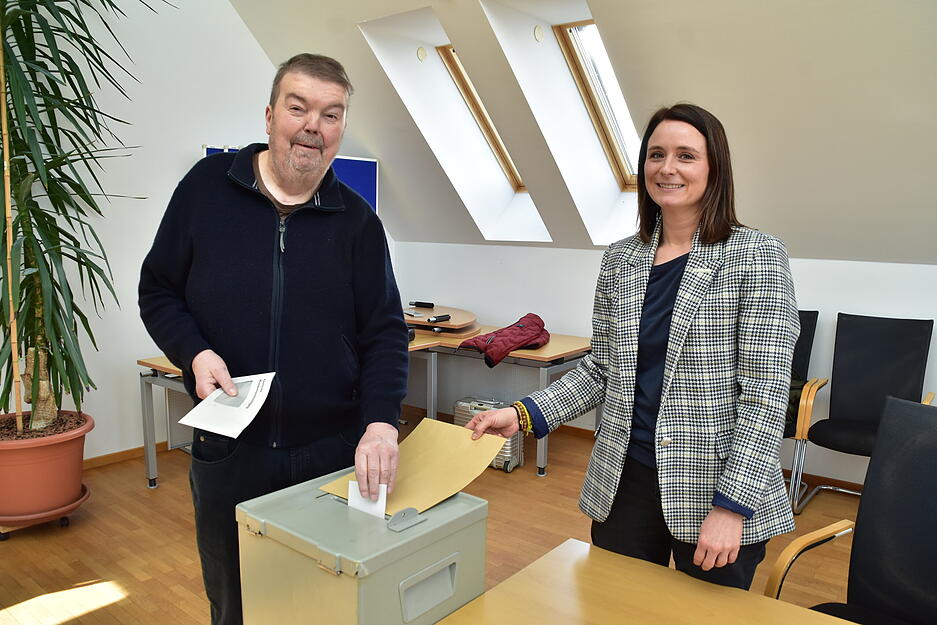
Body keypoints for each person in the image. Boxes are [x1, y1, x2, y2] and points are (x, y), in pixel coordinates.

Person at [468, 103, 798, 590]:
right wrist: (520, 415)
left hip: (716, 488)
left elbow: (765, 397)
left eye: (686, 155)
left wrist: (732, 507)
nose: (667, 168)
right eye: (656, 154)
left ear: (715, 168)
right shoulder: (622, 258)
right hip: (623, 481)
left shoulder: (757, 256)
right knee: (615, 605)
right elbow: (600, 371)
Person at [138, 53, 408, 625]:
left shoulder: (359, 223)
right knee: (235, 605)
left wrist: (382, 421)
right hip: (228, 451)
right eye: (299, 107)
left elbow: (385, 333)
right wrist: (193, 352)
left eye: (331, 114)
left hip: (331, 455)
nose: (314, 125)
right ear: (269, 117)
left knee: (321, 606)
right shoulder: (205, 190)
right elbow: (158, 289)